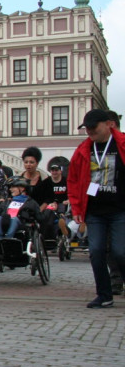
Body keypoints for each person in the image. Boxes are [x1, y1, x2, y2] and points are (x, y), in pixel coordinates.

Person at [67, 109, 125, 309]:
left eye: (93, 127)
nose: (89, 131)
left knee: (120, 252)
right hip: (94, 210)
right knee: (96, 251)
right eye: (87, 128)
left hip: (120, 209)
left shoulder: (122, 144)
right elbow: (73, 180)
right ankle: (104, 294)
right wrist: (76, 207)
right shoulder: (83, 150)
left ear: (109, 124)